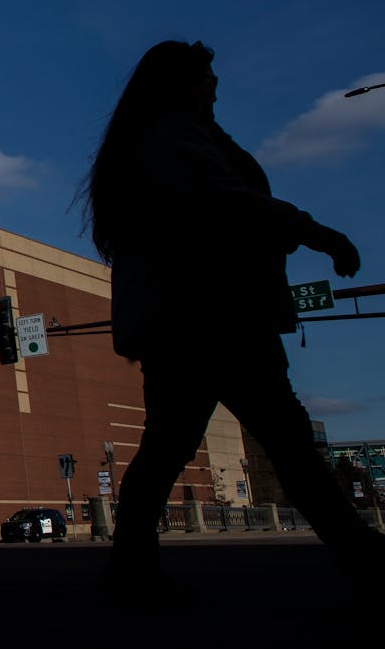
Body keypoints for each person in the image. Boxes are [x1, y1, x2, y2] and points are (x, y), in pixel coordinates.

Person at [80, 40, 382, 595]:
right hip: (213, 315)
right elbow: (225, 200)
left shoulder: (164, 138)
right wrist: (313, 230)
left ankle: (130, 567)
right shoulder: (172, 137)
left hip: (195, 318)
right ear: (180, 84)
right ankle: (363, 556)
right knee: (284, 441)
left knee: (173, 445)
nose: (215, 86)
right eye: (206, 77)